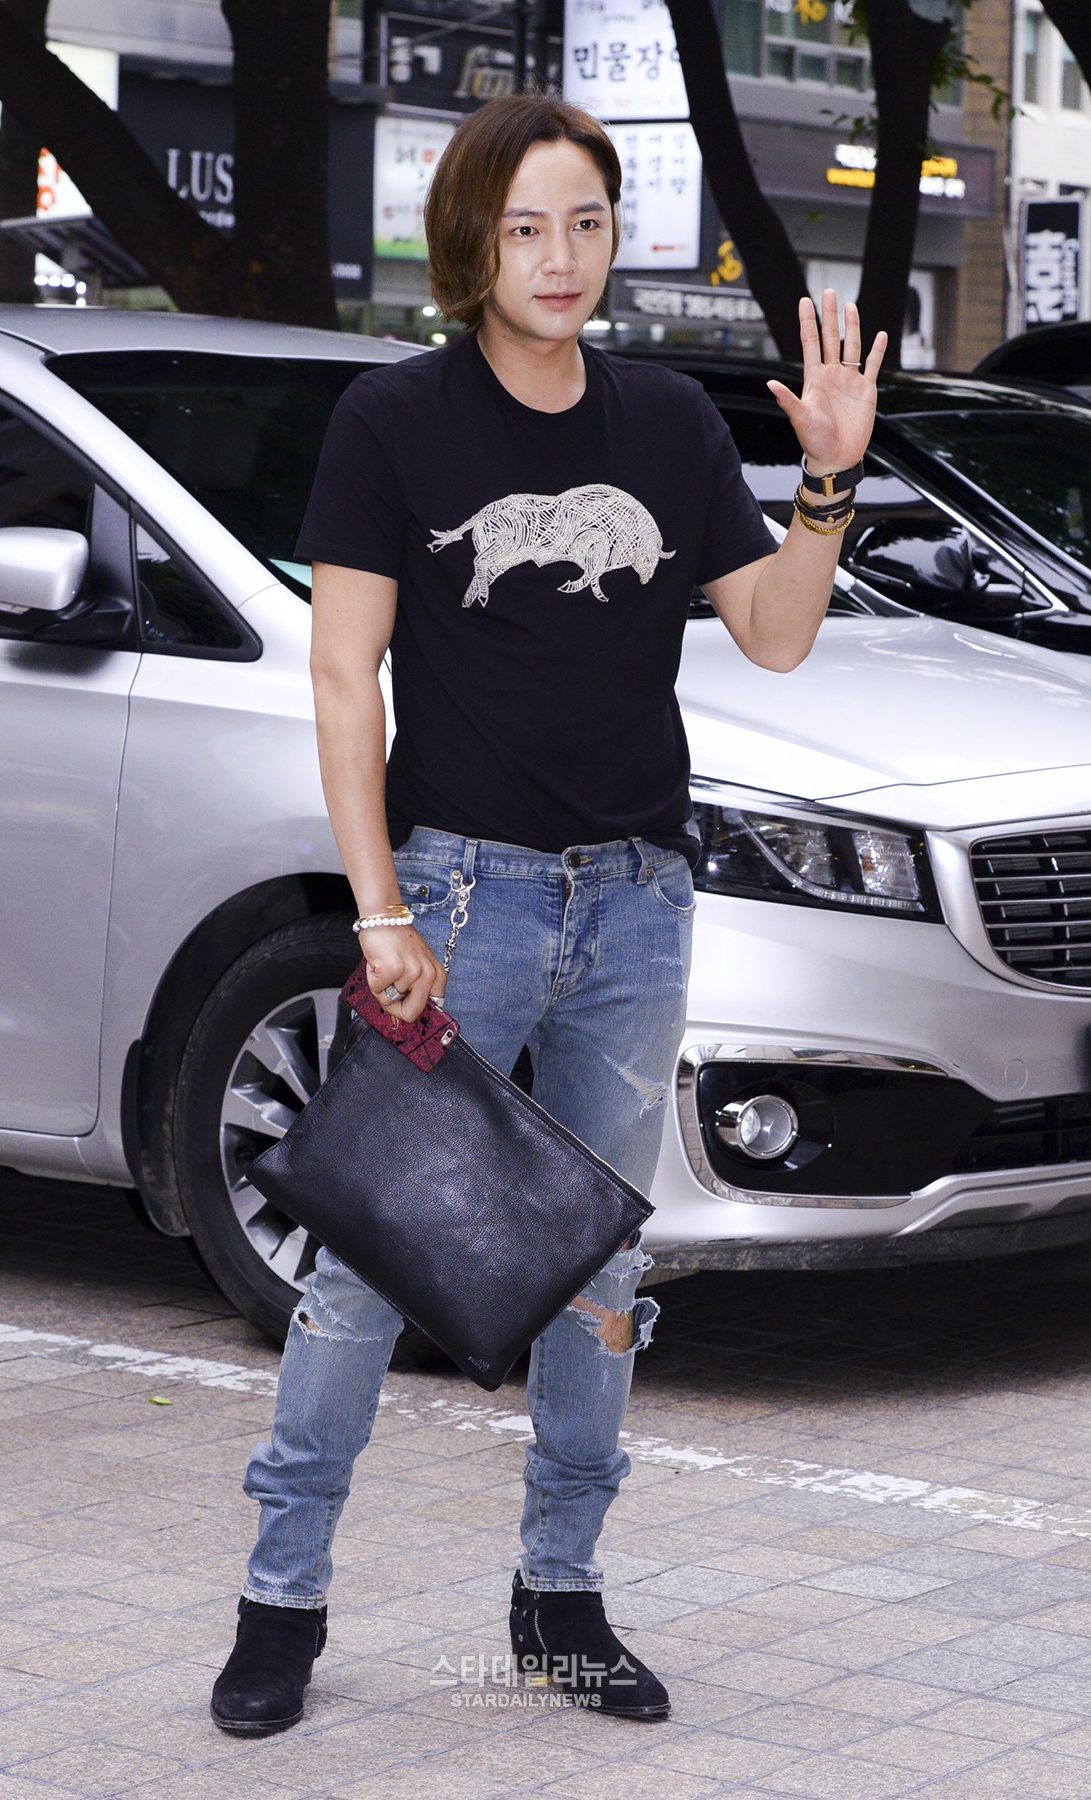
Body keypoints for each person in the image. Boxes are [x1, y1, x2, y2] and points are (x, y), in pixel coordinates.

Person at [211, 92, 885, 1736]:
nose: (561, 255)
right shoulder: (397, 420)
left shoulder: (662, 422)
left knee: (599, 1265)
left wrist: (826, 485)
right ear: (472, 243)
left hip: (637, 902)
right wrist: (380, 909)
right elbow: (342, 676)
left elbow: (778, 633)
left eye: (586, 221)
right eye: (526, 226)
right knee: (369, 1256)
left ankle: (562, 1600)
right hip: (459, 898)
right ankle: (280, 1600)